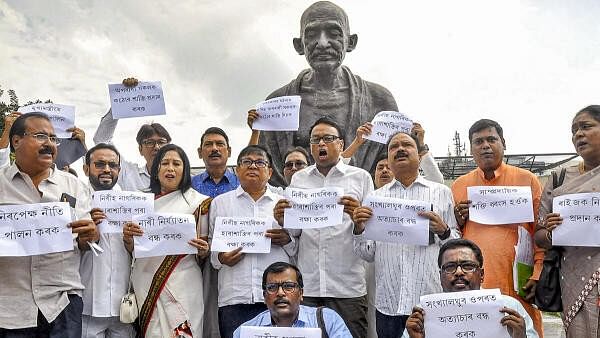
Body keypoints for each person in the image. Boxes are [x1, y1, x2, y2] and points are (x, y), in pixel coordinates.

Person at [259, 1, 398, 186]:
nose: (323, 43)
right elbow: (263, 168)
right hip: (298, 208)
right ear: (299, 45)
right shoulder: (276, 104)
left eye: (333, 34)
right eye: (311, 34)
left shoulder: (380, 101)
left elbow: (395, 167)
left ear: (351, 42)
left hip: (361, 207)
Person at [352, 131, 460, 338]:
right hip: (388, 305)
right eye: (394, 146)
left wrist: (444, 231)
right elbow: (367, 254)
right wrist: (358, 229)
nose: (400, 149)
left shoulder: (441, 193)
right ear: (389, 157)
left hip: (429, 301)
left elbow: (457, 246)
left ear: (419, 156)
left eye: (406, 145)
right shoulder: (375, 198)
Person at [0, 112, 99, 337]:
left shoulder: (75, 186)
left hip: (62, 303)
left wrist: (90, 235)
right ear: (16, 141)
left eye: (54, 139)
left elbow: (87, 242)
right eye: (41, 136)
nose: (50, 145)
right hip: (10, 307)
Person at [274, 117, 374, 338]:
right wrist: (284, 220)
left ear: (341, 144)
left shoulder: (360, 178)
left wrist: (358, 222)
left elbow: (370, 246)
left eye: (328, 138)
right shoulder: (299, 179)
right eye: (315, 139)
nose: (321, 144)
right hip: (308, 288)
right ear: (310, 147)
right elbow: (296, 235)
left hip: (347, 288)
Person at [451, 119, 544, 336]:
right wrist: (459, 218)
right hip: (474, 283)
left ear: (503, 143)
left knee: (522, 331)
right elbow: (452, 235)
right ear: (471, 149)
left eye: (491, 139)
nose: (485, 145)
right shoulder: (459, 186)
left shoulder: (527, 180)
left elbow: (539, 233)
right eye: (478, 141)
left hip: (518, 281)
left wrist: (537, 273)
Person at [123, 144, 210, 338]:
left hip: (184, 282)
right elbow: (133, 249)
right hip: (146, 280)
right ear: (156, 170)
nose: (170, 168)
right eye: (165, 163)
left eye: (176, 164)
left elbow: (204, 252)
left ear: (185, 170)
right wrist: (128, 238)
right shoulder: (141, 203)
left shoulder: (198, 202)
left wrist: (204, 250)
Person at [209, 145, 296, 338]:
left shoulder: (284, 203)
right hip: (234, 298)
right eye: (246, 162)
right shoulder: (220, 203)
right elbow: (213, 256)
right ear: (237, 170)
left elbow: (297, 250)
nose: (253, 166)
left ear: (270, 171)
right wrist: (222, 258)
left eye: (260, 162)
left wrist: (287, 240)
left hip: (278, 298)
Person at [534, 105, 600, 337]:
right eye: (574, 131)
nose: (578, 134)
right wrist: (552, 232)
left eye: (586, 127)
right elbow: (539, 235)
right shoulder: (559, 179)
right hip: (573, 277)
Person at [403, 238, 538, 338]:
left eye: (467, 266)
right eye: (450, 267)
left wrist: (521, 337)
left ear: (481, 275)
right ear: (440, 276)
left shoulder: (509, 307)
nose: (459, 272)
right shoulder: (423, 313)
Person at [81, 143, 135, 338]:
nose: (106, 170)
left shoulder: (133, 203)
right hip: (88, 303)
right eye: (100, 164)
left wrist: (132, 241)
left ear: (119, 170)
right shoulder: (76, 200)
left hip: (125, 306)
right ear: (86, 168)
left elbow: (142, 250)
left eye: (112, 165)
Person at [233, 262, 351, 337]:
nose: (280, 293)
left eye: (288, 286)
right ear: (264, 297)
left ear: (301, 293)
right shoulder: (245, 332)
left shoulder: (328, 320)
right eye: (272, 287)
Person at [93, 77, 172, 191]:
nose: (156, 147)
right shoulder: (129, 174)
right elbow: (101, 140)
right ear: (140, 149)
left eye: (161, 142)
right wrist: (121, 101)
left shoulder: (184, 178)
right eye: (149, 142)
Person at [192, 127, 240, 197]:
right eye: (208, 144)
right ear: (200, 152)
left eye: (220, 144)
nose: (214, 148)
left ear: (229, 152)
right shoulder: (190, 185)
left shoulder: (241, 184)